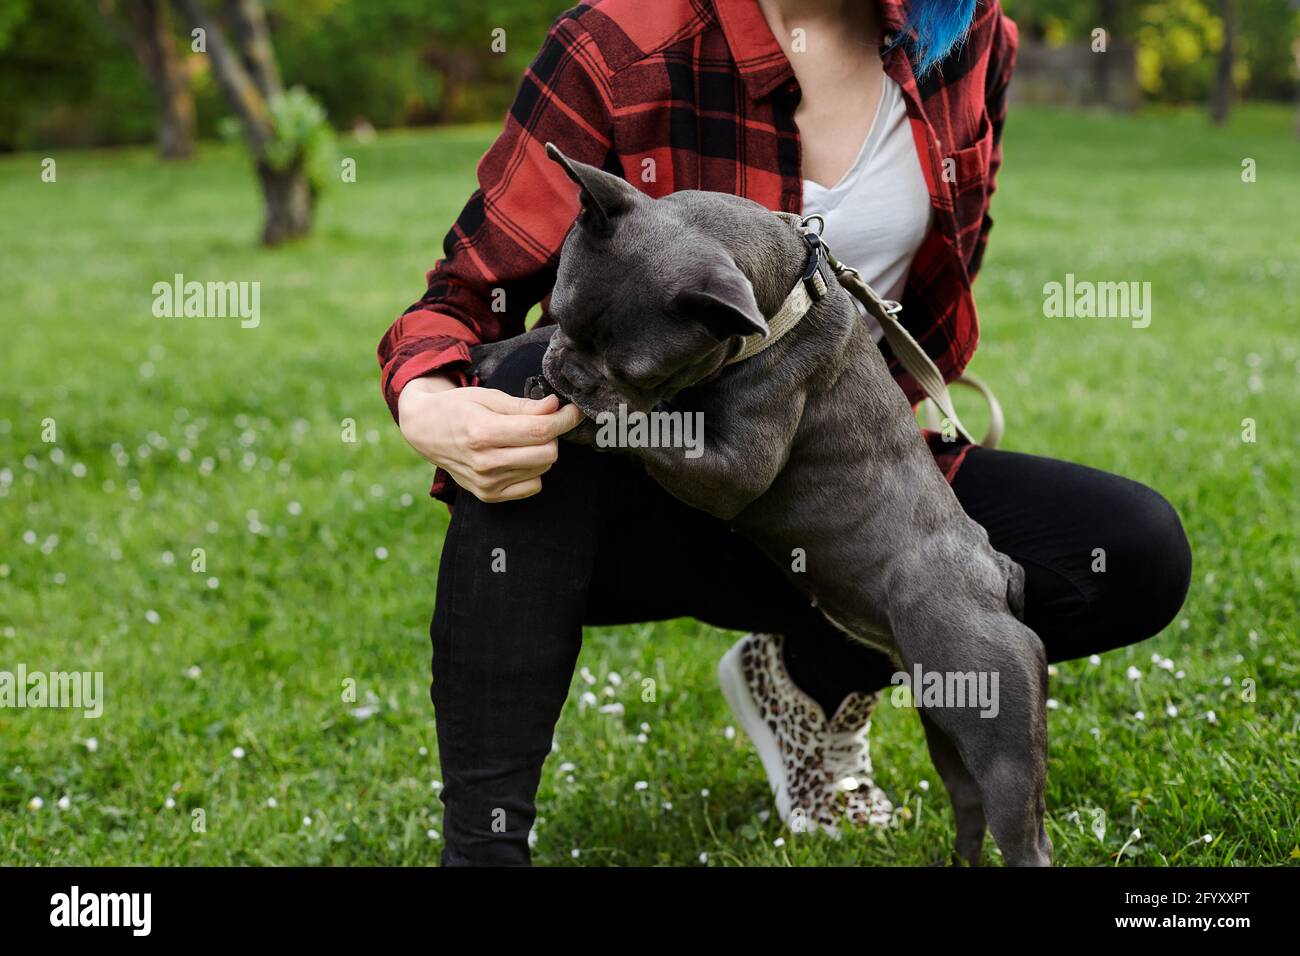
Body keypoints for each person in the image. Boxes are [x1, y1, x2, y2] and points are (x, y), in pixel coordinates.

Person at [377, 0, 1192, 866]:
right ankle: (484, 848)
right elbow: (464, 300)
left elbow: (950, 265)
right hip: (649, 496)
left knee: (1129, 549)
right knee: (525, 383)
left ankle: (809, 677)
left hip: (838, 501)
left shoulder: (963, 33)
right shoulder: (622, 43)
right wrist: (429, 401)